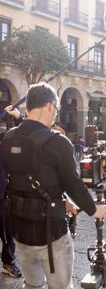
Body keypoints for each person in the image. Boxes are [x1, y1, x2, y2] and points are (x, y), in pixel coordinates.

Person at [0, 83, 106, 289]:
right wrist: (95, 210)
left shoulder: (8, 138)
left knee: (32, 285)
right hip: (51, 234)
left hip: (19, 231)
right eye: (56, 110)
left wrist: (63, 199)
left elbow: (24, 176)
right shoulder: (59, 142)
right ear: (49, 106)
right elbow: (74, 185)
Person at [0, 106, 22, 278]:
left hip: (3, 197)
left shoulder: (4, 143)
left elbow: (20, 137)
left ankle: (8, 262)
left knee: (8, 234)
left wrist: (18, 117)